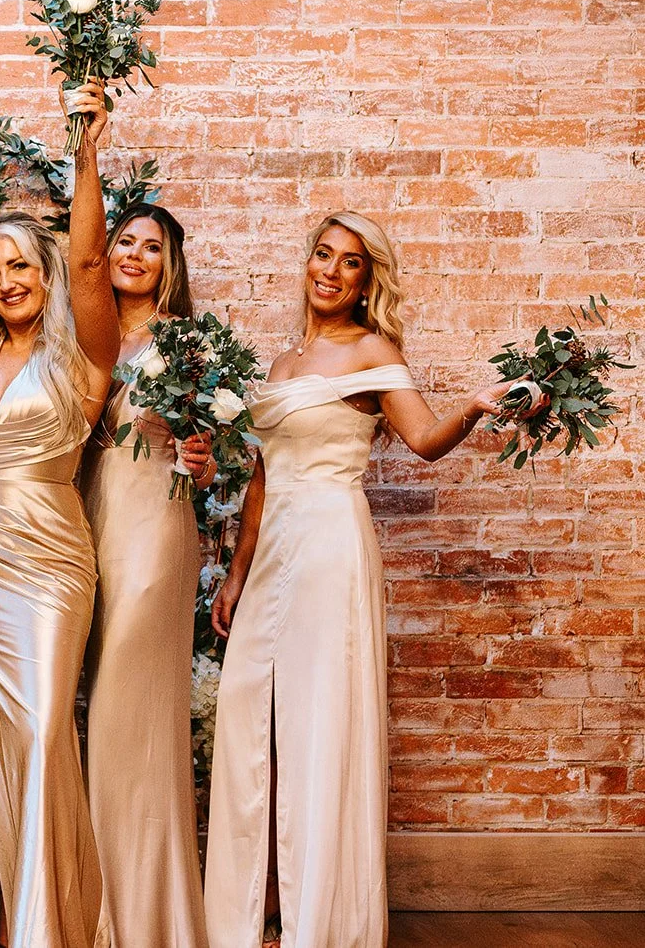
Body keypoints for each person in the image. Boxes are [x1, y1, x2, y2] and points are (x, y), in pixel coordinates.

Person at [206, 213, 524, 948]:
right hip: (275, 545)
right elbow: (261, 474)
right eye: (323, 254)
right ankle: (253, 912)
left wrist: (473, 409)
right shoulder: (283, 362)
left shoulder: (372, 350)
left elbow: (423, 441)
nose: (331, 270)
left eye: (350, 263)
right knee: (253, 719)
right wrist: (235, 573)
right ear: (308, 261)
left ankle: (314, 919)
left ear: (365, 280)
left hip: (329, 546)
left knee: (319, 723)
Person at [0, 195, 116, 942]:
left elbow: (91, 264)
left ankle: (52, 926)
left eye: (18, 265)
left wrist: (86, 148)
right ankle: (4, 917)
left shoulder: (83, 354)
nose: (5, 281)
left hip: (46, 567)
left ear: (45, 274)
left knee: (43, 733)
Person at [69, 87, 214, 947]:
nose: (134, 253)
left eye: (151, 247)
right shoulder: (78, 331)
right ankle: (89, 890)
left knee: (129, 692)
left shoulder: (188, 344)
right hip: (80, 515)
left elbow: (211, 440)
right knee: (88, 694)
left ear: (169, 265)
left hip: (155, 523)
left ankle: (142, 906)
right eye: (125, 239)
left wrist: (198, 452)